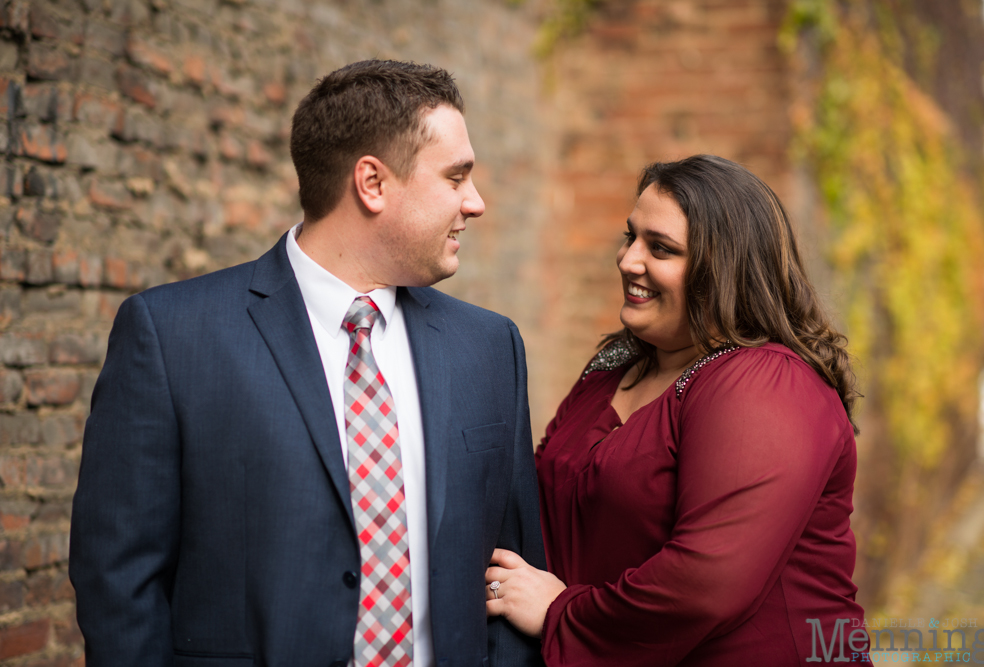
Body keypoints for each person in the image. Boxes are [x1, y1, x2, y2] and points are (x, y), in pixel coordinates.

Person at [70, 59, 545, 667]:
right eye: (456, 177)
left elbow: (513, 572)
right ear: (371, 183)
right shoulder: (171, 337)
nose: (475, 203)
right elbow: (118, 581)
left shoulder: (489, 348)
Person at [485, 155, 868, 666]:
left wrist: (561, 612)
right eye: (631, 237)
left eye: (660, 248)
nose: (627, 260)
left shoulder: (768, 384)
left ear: (725, 269)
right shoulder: (616, 362)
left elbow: (708, 582)